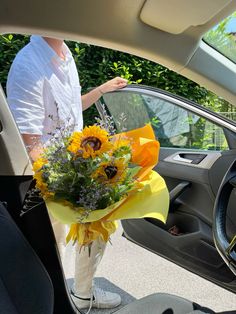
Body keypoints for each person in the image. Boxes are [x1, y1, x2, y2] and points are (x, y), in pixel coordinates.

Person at [6, 35, 128, 310]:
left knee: (98, 227)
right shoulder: (28, 63)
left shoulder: (65, 55)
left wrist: (100, 90)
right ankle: (54, 304)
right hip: (49, 176)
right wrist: (63, 187)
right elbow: (30, 142)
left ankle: (82, 294)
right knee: (54, 249)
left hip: (78, 167)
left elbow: (72, 107)